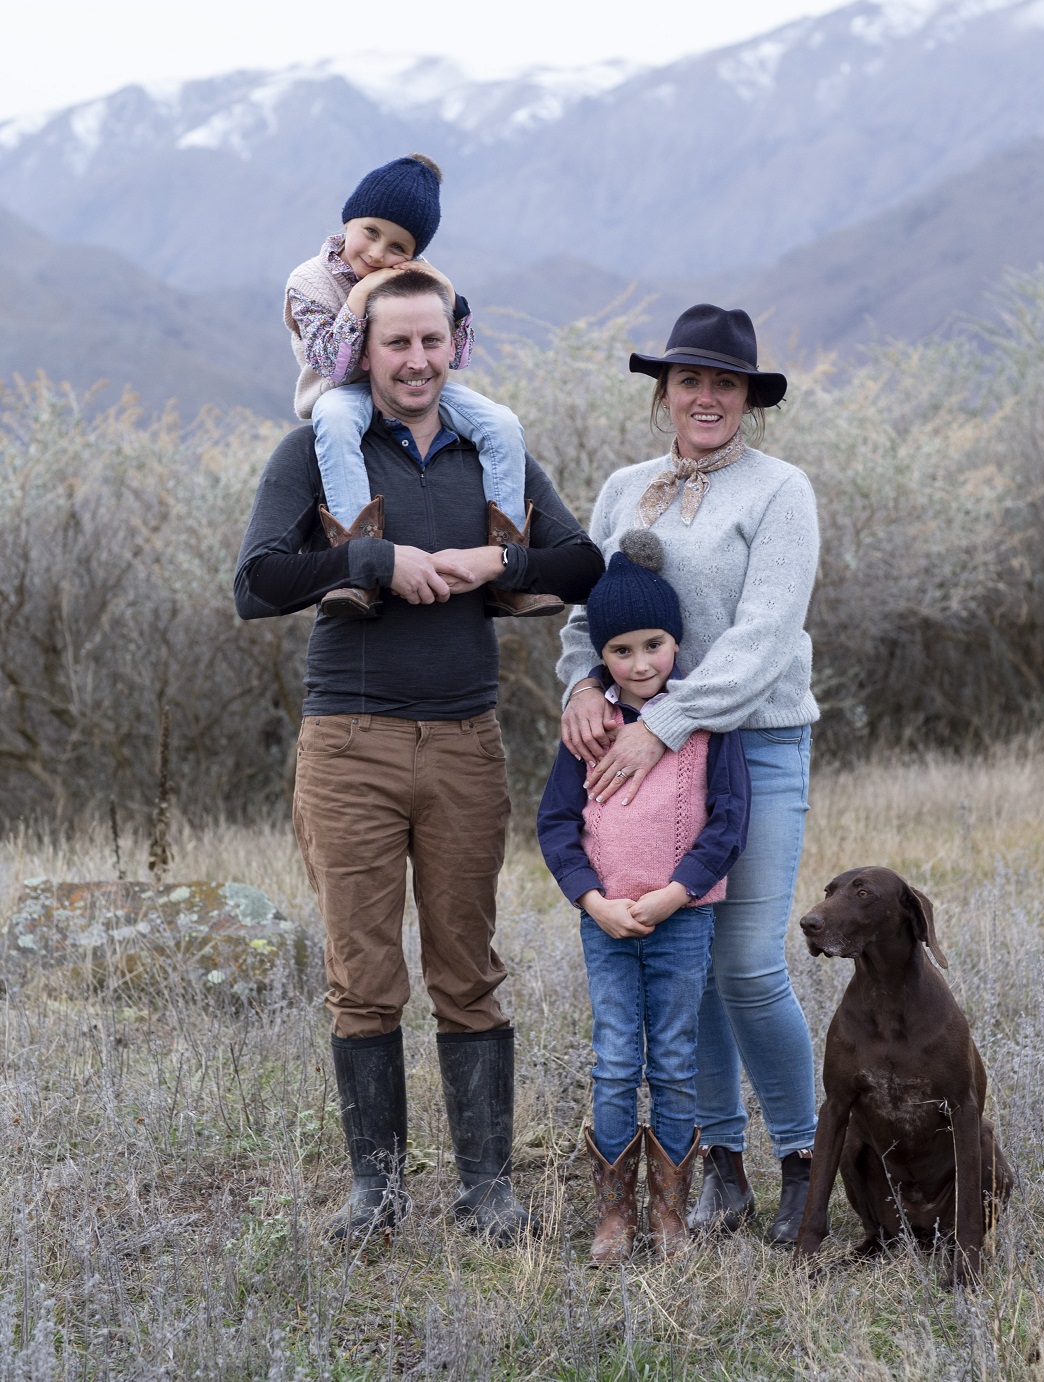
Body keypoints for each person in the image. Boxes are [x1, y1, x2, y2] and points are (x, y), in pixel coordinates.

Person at [235, 269, 604, 1245]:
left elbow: (580, 563)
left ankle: (486, 1190)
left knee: (466, 968)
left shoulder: (493, 448)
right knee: (362, 973)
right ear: (361, 349)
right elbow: (258, 580)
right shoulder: (318, 446)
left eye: (430, 341)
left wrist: (499, 562)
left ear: (456, 344)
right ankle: (379, 1192)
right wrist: (371, 560)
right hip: (346, 741)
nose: (415, 360)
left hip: (463, 738)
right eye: (394, 343)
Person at [557, 303, 821, 1246]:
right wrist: (582, 688)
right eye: (690, 380)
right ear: (663, 392)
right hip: (638, 761)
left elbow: (763, 639)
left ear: (749, 398)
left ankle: (804, 1161)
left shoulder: (779, 490)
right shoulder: (625, 488)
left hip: (752, 744)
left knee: (747, 967)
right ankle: (717, 1171)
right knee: (689, 972)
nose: (706, 397)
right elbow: (589, 618)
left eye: (726, 383)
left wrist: (662, 723)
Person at [537, 530, 750, 1264]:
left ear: (675, 640)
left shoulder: (704, 727)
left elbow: (728, 825)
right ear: (602, 658)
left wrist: (673, 895)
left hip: (681, 921)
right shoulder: (589, 732)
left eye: (653, 645)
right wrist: (593, 903)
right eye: (621, 652)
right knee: (616, 1058)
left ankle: (671, 1214)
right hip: (607, 926)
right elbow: (556, 828)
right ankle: (614, 1217)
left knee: (675, 1060)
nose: (639, 664)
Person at [284, 151, 557, 619]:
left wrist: (446, 291)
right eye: (370, 232)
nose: (377, 253)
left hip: (414, 384)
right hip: (342, 391)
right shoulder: (309, 281)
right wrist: (360, 294)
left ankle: (507, 567)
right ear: (349, 220)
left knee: (500, 422)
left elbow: (461, 356)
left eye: (398, 247)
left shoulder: (418, 278)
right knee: (334, 420)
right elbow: (332, 363)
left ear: (413, 252)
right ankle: (358, 566)